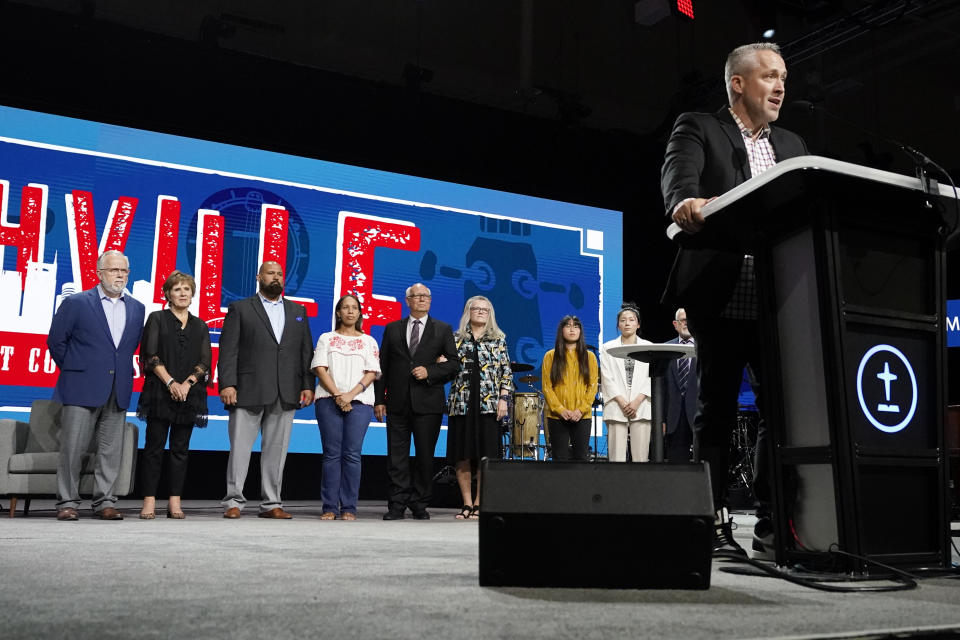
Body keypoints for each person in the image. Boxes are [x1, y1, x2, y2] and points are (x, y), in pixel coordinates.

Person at [660, 42, 808, 555]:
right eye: (769, 75)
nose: (781, 85)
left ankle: (775, 524)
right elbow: (681, 175)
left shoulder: (793, 143)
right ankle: (713, 520)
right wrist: (683, 200)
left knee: (782, 413)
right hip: (721, 294)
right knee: (715, 410)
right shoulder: (700, 127)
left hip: (779, 299)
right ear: (738, 84)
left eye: (784, 76)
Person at [47, 250, 145, 520]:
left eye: (124, 271)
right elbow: (56, 341)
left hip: (118, 387)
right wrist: (76, 369)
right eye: (114, 270)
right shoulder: (77, 303)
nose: (120, 276)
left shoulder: (137, 308)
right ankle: (67, 502)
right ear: (100, 273)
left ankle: (105, 501)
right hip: (80, 386)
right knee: (72, 449)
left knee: (111, 450)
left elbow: (127, 348)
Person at [218, 261, 315, 519]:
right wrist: (227, 383)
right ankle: (233, 502)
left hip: (286, 390)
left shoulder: (298, 311)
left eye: (280, 274)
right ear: (259, 276)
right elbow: (229, 349)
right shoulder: (240, 308)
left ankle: (272, 503)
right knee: (240, 449)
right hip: (247, 388)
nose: (276, 277)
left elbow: (305, 351)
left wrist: (307, 384)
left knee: (277, 450)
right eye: (271, 273)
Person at [374, 283, 459, 520]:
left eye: (426, 296)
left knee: (425, 456)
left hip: (428, 403)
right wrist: (379, 399)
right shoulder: (392, 329)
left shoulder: (442, 329)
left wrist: (430, 372)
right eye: (417, 296)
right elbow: (383, 367)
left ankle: (420, 502)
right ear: (407, 300)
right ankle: (397, 504)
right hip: (397, 403)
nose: (422, 299)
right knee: (396, 456)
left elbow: (454, 364)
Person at [136, 270, 211, 519]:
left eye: (186, 289)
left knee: (181, 449)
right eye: (177, 289)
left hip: (190, 394)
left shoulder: (200, 325)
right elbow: (151, 355)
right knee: (154, 448)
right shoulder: (157, 318)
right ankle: (148, 501)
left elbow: (205, 361)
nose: (182, 293)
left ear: (192, 295)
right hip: (160, 392)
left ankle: (174, 502)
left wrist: (188, 384)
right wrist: (170, 382)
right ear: (168, 294)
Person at [311, 294, 380, 521]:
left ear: (359, 313)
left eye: (354, 308)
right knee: (331, 454)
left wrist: (349, 395)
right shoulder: (326, 338)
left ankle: (349, 507)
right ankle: (329, 506)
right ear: (338, 313)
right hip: (328, 400)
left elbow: (371, 372)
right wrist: (338, 395)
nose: (350, 311)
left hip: (359, 403)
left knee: (352, 454)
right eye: (345, 308)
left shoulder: (369, 341)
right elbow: (320, 369)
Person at [446, 296, 512, 519]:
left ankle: (479, 503)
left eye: (486, 309)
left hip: (489, 405)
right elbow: (444, 365)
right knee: (462, 455)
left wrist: (503, 399)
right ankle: (466, 503)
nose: (481, 312)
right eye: (477, 308)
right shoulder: (455, 339)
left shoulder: (498, 340)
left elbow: (506, 372)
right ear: (468, 312)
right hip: (461, 403)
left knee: (486, 455)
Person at [599, 303, 652, 462]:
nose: (627, 323)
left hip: (641, 405)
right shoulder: (607, 347)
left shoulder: (649, 346)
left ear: (638, 324)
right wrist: (622, 402)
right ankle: (616, 486)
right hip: (616, 404)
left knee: (641, 458)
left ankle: (639, 486)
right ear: (618, 325)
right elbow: (606, 377)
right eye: (623, 320)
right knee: (616, 457)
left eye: (631, 320)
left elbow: (651, 377)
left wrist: (636, 401)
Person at [541, 316, 598, 461]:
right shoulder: (550, 356)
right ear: (561, 330)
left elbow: (592, 386)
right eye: (568, 326)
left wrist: (581, 410)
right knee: (559, 459)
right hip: (557, 416)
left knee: (581, 458)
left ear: (580, 331)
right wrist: (560, 410)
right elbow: (547, 387)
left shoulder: (589, 357)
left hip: (582, 416)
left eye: (576, 326)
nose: (572, 329)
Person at [663, 308, 697, 462]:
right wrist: (661, 419)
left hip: (699, 417)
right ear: (675, 324)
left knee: (701, 468)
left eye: (689, 319)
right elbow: (661, 388)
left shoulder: (703, 346)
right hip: (673, 419)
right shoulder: (664, 349)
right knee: (676, 469)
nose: (686, 323)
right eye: (683, 320)